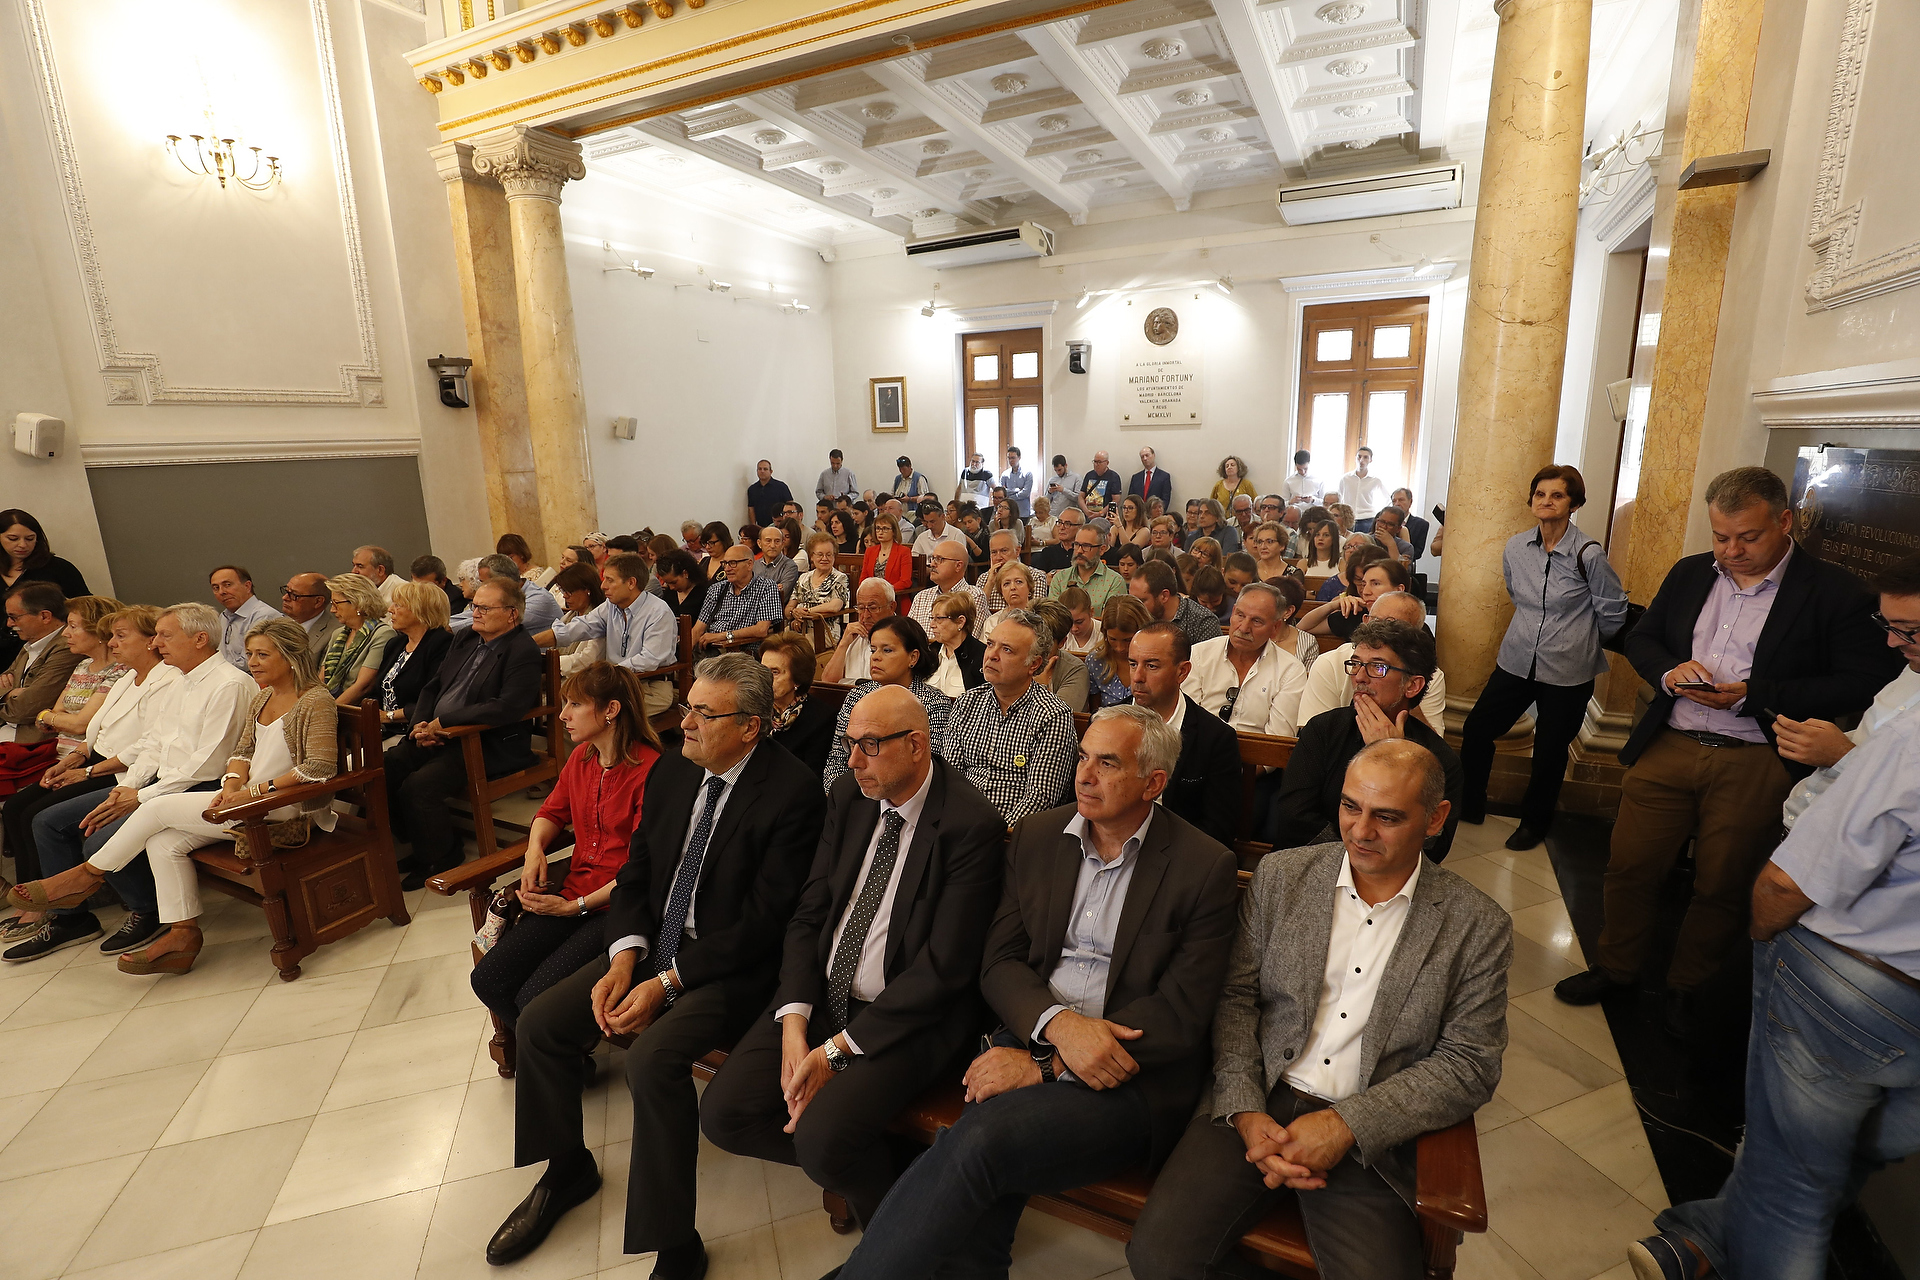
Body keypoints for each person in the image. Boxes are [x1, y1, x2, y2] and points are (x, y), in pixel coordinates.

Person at [836, 705, 1240, 1280]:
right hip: (1028, 1033)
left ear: (1154, 783)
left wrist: (1046, 1069)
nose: (1084, 774)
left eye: (1108, 763)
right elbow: (999, 961)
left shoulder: (1202, 866)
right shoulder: (1039, 835)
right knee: (985, 1159)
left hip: (1129, 1077)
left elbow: (1181, 1013)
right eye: (1082, 757)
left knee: (981, 1139)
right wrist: (1055, 1032)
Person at [487, 656, 826, 1275]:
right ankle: (567, 1169)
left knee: (651, 1060)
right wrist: (624, 957)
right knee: (540, 1022)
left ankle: (676, 1242)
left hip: (729, 966)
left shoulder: (793, 792)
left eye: (703, 712)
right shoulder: (674, 770)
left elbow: (764, 923)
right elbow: (638, 873)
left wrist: (667, 981)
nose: (685, 721)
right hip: (654, 948)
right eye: (688, 705)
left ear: (751, 727)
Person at [1130, 739, 1510, 1280]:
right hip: (1259, 1093)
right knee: (1159, 1258)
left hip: (1369, 1126)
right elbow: (1237, 996)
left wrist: (1346, 1125)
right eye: (1351, 806)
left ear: (1436, 818)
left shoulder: (1476, 925)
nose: (1359, 831)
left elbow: (1470, 1062)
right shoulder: (1284, 877)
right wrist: (1242, 1106)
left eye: (1388, 817)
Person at [1554, 467, 1902, 1035]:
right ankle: (1615, 967)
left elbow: (1860, 679)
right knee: (1630, 866)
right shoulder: (1692, 574)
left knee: (1722, 881)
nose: (1732, 551)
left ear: (1784, 522)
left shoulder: (1832, 590)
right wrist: (1669, 671)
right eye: (1721, 537)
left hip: (1756, 757)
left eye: (1749, 537)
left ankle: (1688, 986)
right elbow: (1642, 638)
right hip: (1671, 743)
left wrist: (1753, 695)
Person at [1630, 692, 1920, 1280]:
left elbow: (1786, 887)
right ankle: (1705, 1240)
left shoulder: (1911, 739)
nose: (1897, 642)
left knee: (1790, 1186)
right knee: (1843, 1150)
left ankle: (1711, 1237)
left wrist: (1765, 941)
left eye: (1910, 631)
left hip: (1853, 983)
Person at [700, 683, 1005, 1228]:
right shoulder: (850, 794)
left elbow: (944, 970)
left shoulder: (969, 825)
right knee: (726, 1114)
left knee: (822, 1141)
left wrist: (833, 1053)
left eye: (868, 745)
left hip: (907, 1017)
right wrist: (794, 1020)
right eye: (848, 744)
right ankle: (902, 1187)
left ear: (917, 744)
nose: (852, 760)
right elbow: (810, 910)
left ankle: (904, 1225)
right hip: (823, 996)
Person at [13, 618, 339, 976]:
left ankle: (87, 875)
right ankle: (183, 936)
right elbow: (242, 751)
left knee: (158, 807)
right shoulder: (264, 695)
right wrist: (232, 787)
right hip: (242, 801)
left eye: (263, 654)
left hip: (285, 807)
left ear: (291, 657)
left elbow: (319, 768)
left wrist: (252, 792)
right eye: (249, 654)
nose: (253, 662)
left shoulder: (315, 699)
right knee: (164, 843)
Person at [7, 603, 254, 962]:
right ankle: (70, 919)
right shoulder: (183, 679)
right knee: (47, 820)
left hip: (203, 787)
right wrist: (131, 787)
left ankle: (141, 909)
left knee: (96, 839)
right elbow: (154, 744)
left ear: (200, 639)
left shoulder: (228, 684)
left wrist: (141, 794)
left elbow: (206, 764)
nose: (157, 643)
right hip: (160, 783)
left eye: (165, 635)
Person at [469, 662, 661, 1025]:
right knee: (488, 979)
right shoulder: (582, 757)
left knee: (533, 998)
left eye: (574, 705)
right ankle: (561, 1057)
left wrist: (573, 908)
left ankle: (553, 1052)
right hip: (571, 892)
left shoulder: (650, 770)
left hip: (616, 907)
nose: (562, 715)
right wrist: (533, 852)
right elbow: (550, 813)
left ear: (611, 710)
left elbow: (643, 870)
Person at [1458, 466, 1630, 851]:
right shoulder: (1516, 547)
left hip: (1569, 670)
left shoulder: (1589, 553)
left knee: (1550, 752)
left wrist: (1579, 638)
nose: (1546, 501)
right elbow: (1515, 591)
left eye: (1557, 495)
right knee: (1477, 729)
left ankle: (1534, 824)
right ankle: (1470, 804)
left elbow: (1614, 610)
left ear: (1574, 504)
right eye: (1540, 494)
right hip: (1517, 658)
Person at [2, 606, 171, 918]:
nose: (111, 643)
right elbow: (96, 729)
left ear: (151, 641)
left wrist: (88, 770)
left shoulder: (166, 681)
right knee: (19, 806)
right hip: (96, 759)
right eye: (111, 636)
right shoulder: (128, 677)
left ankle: (69, 916)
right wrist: (75, 758)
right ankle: (42, 904)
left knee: (44, 819)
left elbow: (149, 747)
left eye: (120, 636)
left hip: (127, 772)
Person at [385, 578, 543, 890]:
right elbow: (433, 686)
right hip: (440, 732)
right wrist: (421, 724)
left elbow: (505, 708)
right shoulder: (466, 637)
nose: (475, 613)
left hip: (486, 742)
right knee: (385, 769)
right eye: (474, 606)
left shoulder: (522, 650)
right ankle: (419, 844)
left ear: (512, 613)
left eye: (484, 608)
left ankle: (443, 856)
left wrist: (444, 722)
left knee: (419, 786)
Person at [1268, 619, 1463, 861]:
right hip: (1311, 863)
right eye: (1356, 664)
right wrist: (1360, 859)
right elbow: (1293, 817)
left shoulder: (1442, 760)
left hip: (1391, 882)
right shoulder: (1322, 729)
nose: (1360, 677)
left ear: (1412, 685)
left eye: (1377, 668)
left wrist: (1391, 758)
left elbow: (1434, 848)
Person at [1775, 554, 1920, 830]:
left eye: (1906, 629)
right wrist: (1825, 742)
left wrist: (1842, 756)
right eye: (1886, 624)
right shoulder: (1913, 666)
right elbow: (1879, 737)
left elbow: (1910, 799)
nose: (1891, 642)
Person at [939, 609, 1076, 827]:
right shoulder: (967, 703)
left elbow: (1040, 799)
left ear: (1033, 664)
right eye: (990, 644)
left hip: (1012, 837)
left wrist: (991, 834)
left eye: (1007, 650)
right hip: (956, 828)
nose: (992, 655)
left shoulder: (1052, 715)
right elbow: (948, 779)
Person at [1127, 622, 1240, 844]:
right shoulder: (1106, 724)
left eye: (1151, 666)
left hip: (1180, 856)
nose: (1137, 677)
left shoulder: (1215, 738)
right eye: (1133, 664)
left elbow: (1219, 828)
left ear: (1182, 672)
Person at [532, 553, 678, 715]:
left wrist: (606, 674)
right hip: (615, 684)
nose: (603, 586)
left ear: (631, 583)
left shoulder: (658, 612)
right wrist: (529, 643)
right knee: (568, 702)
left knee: (588, 711)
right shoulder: (611, 606)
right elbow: (578, 628)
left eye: (610, 580)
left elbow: (649, 659)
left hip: (649, 687)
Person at [823, 616, 951, 790]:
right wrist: (839, 797)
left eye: (887, 650)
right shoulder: (857, 696)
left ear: (913, 657)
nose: (875, 657)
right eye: (873, 649)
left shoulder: (934, 703)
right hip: (855, 792)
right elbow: (838, 758)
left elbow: (929, 765)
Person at [1179, 581, 1310, 737]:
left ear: (1275, 628)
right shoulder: (1200, 654)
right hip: (1200, 755)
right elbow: (1185, 724)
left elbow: (1277, 741)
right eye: (1240, 615)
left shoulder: (1290, 671)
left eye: (1257, 621)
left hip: (1257, 760)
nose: (1243, 628)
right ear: (1233, 612)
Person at [1299, 591, 1446, 728]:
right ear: (1365, 621)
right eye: (1377, 622)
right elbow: (1313, 733)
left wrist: (1405, 695)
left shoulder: (1430, 677)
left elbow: (1434, 748)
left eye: (1395, 627)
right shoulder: (1330, 662)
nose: (1360, 677)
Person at [0, 583, 85, 746]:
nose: (9, 624)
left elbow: (25, 708)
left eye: (14, 617)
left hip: (30, 748)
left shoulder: (67, 648)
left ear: (45, 616)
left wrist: (5, 695)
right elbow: (5, 678)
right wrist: (9, 694)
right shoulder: (30, 643)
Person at [368, 580, 454, 738]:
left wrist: (389, 716)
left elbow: (433, 698)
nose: (390, 609)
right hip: (382, 730)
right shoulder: (395, 644)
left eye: (398, 605)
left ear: (420, 611)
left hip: (416, 731)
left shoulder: (442, 644)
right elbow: (377, 691)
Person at [760, 632, 836, 775]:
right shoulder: (753, 709)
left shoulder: (822, 719)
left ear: (798, 679)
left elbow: (812, 777)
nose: (765, 678)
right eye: (763, 670)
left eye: (775, 672)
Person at [319, 573, 395, 704]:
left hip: (356, 711)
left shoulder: (383, 634)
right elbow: (321, 680)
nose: (332, 610)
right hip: (328, 706)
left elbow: (363, 686)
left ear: (358, 603)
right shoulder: (338, 634)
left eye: (336, 603)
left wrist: (329, 712)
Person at [692, 544, 784, 653]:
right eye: (724, 563)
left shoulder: (766, 587)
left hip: (744, 653)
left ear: (749, 564)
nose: (727, 569)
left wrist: (723, 636)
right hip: (712, 650)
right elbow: (698, 629)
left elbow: (761, 630)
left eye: (732, 563)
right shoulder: (716, 589)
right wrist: (684, 659)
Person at [1299, 558, 1409, 648]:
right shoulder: (1355, 615)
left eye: (1375, 584)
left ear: (1399, 589)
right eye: (1364, 584)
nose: (1365, 592)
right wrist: (1334, 605)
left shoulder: (1412, 623)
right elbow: (1302, 628)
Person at [1129, 559, 1223, 648]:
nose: (1134, 607)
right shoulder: (1135, 618)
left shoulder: (1203, 622)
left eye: (1141, 601)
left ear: (1164, 596)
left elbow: (1210, 663)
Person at [821, 578, 896, 685]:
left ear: (891, 607)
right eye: (861, 608)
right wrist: (843, 644)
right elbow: (828, 683)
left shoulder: (901, 637)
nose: (865, 616)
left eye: (873, 608)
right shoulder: (853, 635)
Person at [908, 540, 987, 640]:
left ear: (958, 566)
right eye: (932, 559)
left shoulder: (973, 596)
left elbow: (968, 641)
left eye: (939, 559)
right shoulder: (921, 596)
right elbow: (908, 635)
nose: (932, 564)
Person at [209, 565, 282, 671]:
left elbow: (251, 662)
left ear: (247, 586)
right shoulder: (223, 617)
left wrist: (214, 670)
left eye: (227, 585)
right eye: (216, 588)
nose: (221, 592)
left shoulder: (265, 616)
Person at [788, 531, 851, 649]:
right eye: (820, 554)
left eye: (829, 554)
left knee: (795, 648)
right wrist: (794, 613)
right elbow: (789, 609)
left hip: (824, 630)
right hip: (799, 628)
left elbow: (834, 606)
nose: (824, 558)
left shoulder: (840, 578)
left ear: (834, 556)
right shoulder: (803, 578)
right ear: (812, 556)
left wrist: (806, 613)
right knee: (779, 645)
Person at [1048, 522, 1126, 614]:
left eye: (1086, 546)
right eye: (1077, 544)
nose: (1079, 551)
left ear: (1102, 549)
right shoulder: (1060, 579)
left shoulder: (1115, 582)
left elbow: (1111, 621)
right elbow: (1054, 617)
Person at [1087, 595, 1150, 709]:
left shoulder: (1155, 662)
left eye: (1127, 640)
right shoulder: (1095, 661)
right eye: (1113, 639)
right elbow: (1094, 708)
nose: (1120, 648)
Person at [547, 562, 608, 677]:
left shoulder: (599, 618)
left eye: (569, 591)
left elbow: (588, 659)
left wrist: (553, 664)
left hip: (586, 679)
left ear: (587, 590)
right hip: (560, 674)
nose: (564, 596)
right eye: (562, 590)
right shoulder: (569, 616)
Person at [1030, 599, 1090, 714]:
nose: (1035, 648)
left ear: (1062, 642)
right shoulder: (1013, 659)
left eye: (1043, 644)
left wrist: (1040, 687)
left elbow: (1061, 717)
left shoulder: (1075, 670)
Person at [927, 592, 986, 697]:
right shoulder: (929, 653)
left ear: (960, 622)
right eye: (932, 618)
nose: (932, 625)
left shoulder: (982, 656)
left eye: (939, 618)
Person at [278, 571, 341, 663]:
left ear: (318, 602)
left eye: (294, 595)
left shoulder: (334, 634)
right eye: (286, 591)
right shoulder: (279, 625)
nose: (285, 598)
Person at [984, 530, 1045, 611]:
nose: (998, 557)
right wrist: (990, 583)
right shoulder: (984, 579)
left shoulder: (1036, 576)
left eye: (1004, 551)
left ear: (1017, 551)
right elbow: (977, 614)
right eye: (994, 552)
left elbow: (1037, 612)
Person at [861, 511, 914, 596]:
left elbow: (906, 581)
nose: (880, 532)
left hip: (895, 597)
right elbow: (864, 578)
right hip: (872, 596)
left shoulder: (904, 551)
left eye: (885, 528)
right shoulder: (870, 551)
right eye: (878, 528)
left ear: (894, 531)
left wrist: (885, 591)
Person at [653, 549, 708, 622]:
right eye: (667, 583)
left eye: (674, 582)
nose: (671, 587)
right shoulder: (669, 594)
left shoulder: (705, 592)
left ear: (685, 573)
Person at [1337, 448, 1390, 517]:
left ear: (1370, 460)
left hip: (1367, 517)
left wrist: (1380, 515)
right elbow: (1339, 497)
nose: (1361, 460)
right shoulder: (1345, 479)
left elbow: (1387, 499)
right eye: (1359, 456)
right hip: (1347, 517)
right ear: (1355, 458)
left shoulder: (1376, 480)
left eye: (1365, 457)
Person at [748, 458, 795, 527]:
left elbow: (790, 505)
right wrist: (754, 525)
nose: (762, 471)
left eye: (765, 469)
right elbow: (751, 508)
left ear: (771, 471)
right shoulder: (752, 489)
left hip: (780, 525)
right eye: (759, 469)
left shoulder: (781, 487)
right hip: (761, 527)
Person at [1059, 586, 1101, 659]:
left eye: (1079, 622)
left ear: (1091, 612)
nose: (1074, 628)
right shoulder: (1061, 633)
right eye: (1068, 623)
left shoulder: (1103, 634)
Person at [997, 445, 1033, 517]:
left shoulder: (1027, 474)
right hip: (1008, 513)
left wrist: (1009, 496)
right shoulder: (1005, 475)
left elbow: (1025, 493)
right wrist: (1017, 490)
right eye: (1009, 458)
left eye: (1013, 458)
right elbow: (1001, 492)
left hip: (1023, 512)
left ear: (1019, 458)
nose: (1011, 460)